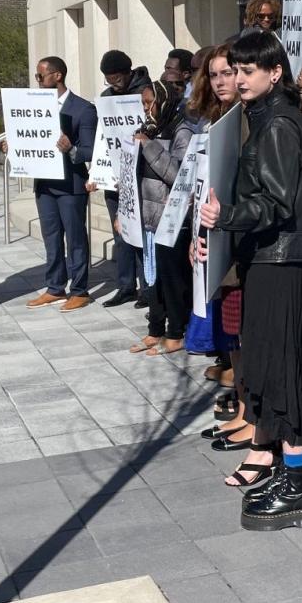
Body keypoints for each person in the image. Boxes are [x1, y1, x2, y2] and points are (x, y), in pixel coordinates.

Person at [198, 30, 302, 526]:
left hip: (281, 260)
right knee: (269, 368)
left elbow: (277, 202)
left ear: (275, 74)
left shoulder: (278, 126)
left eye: (249, 71)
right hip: (268, 258)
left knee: (281, 370)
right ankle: (287, 470)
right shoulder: (263, 118)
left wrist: (224, 215)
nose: (239, 79)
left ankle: (297, 483)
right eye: (235, 70)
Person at [183, 46, 246, 435]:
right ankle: (242, 402)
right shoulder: (213, 121)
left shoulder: (247, 121)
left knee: (241, 330)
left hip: (238, 246)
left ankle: (249, 410)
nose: (222, 81)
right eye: (216, 74)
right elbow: (201, 189)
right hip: (212, 240)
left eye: (229, 73)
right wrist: (195, 237)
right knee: (231, 332)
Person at [24, 57, 97, 312]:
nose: (38, 80)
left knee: (75, 237)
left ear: (57, 76)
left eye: (40, 76)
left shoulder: (83, 109)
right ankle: (55, 287)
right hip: (44, 184)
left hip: (71, 185)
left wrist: (71, 149)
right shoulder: (33, 106)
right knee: (51, 237)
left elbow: (90, 151)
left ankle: (79, 290)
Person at [131, 78, 197, 356]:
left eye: (150, 103)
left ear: (164, 102)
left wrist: (148, 145)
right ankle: (155, 328)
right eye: (143, 104)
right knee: (153, 280)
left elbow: (179, 174)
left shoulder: (182, 131)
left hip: (171, 219)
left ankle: (175, 332)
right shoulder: (148, 129)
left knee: (172, 278)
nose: (146, 109)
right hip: (147, 217)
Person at [97, 49, 152, 307]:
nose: (113, 83)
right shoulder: (107, 97)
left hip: (140, 175)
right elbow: (102, 139)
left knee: (140, 234)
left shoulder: (146, 94)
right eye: (108, 79)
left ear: (128, 73)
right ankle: (125, 286)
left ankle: (146, 288)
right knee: (120, 236)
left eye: (117, 78)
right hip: (115, 177)